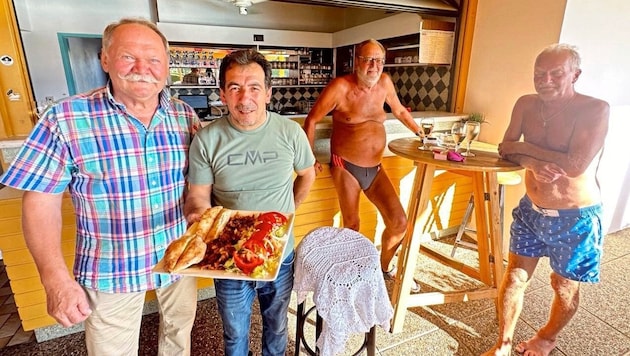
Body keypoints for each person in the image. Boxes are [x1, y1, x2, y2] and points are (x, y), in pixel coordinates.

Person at [0, 18, 201, 355]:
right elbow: (40, 203)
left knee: (179, 339)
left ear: (167, 66)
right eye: (128, 57)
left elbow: (204, 179)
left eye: (154, 60)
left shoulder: (184, 116)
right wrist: (56, 281)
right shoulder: (65, 118)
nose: (142, 68)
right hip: (111, 270)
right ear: (105, 60)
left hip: (180, 259)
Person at [184, 49, 316, 356]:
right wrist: (197, 214)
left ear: (268, 93)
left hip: (278, 255)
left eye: (255, 87)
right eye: (235, 88)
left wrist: (288, 214)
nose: (245, 98)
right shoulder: (206, 140)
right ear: (222, 95)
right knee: (234, 333)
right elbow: (199, 195)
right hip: (229, 260)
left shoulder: (290, 132)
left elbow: (307, 175)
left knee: (277, 325)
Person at [482, 44, 609, 356]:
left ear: (575, 74)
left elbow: (574, 165)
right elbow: (505, 147)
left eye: (556, 73)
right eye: (540, 73)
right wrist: (532, 163)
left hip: (575, 217)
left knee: (563, 286)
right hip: (531, 211)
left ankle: (546, 338)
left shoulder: (595, 109)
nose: (546, 79)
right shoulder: (525, 104)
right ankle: (504, 344)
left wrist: (527, 150)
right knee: (513, 278)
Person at [303, 38, 423, 291]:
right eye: (368, 60)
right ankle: (353, 278)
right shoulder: (340, 87)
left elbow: (400, 111)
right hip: (345, 165)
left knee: (400, 222)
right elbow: (312, 120)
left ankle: (383, 268)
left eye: (378, 60)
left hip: (376, 168)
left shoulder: (385, 83)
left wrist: (422, 133)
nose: (374, 66)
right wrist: (309, 158)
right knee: (353, 225)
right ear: (356, 62)